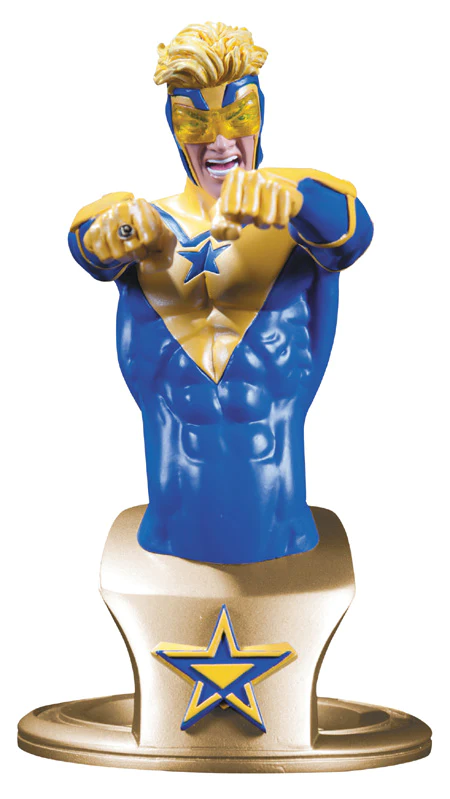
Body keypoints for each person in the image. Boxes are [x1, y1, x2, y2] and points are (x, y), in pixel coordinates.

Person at [68, 21, 373, 564]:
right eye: (196, 121)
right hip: (165, 548)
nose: (220, 141)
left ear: (261, 114)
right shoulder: (144, 231)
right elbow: (89, 245)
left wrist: (294, 196)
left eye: (238, 117)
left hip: (286, 545)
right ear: (174, 127)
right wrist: (109, 229)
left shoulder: (298, 223)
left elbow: (353, 233)